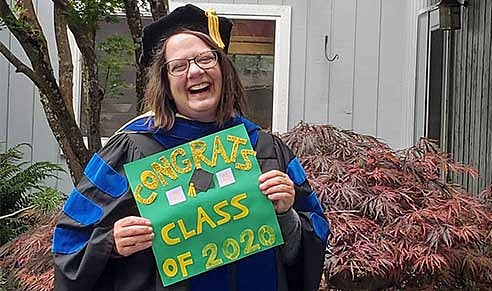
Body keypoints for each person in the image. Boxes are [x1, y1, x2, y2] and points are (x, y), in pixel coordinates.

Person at [52, 4, 328, 291]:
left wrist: (287, 216)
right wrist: (110, 244)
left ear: (223, 69)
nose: (194, 72)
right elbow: (69, 244)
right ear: (166, 83)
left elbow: (311, 240)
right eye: (179, 66)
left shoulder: (266, 149)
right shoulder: (129, 150)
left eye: (205, 59)